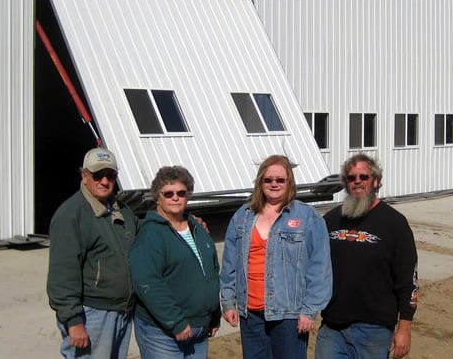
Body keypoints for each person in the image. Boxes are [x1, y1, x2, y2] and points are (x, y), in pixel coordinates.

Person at [220, 154, 332, 359]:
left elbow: (320, 267)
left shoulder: (307, 216)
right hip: (250, 314)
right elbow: (229, 264)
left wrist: (309, 310)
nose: (274, 184)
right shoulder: (242, 216)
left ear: (289, 182)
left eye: (280, 180)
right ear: (260, 182)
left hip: (288, 315)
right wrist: (228, 302)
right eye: (268, 180)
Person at [315, 153, 419, 359]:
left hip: (375, 330)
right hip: (332, 327)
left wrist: (404, 328)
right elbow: (314, 267)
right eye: (351, 178)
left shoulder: (395, 223)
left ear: (376, 181)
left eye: (364, 177)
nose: (357, 182)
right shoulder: (331, 220)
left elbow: (408, 280)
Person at [47, 147, 139, 358]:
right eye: (98, 175)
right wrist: (73, 320)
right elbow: (62, 274)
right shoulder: (71, 215)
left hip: (122, 311)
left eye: (110, 175)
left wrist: (184, 223)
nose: (104, 181)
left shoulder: (122, 211)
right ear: (85, 176)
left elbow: (146, 235)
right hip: (92, 314)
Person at [130, 166, 221, 359]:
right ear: (158, 196)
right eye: (168, 193)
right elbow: (148, 283)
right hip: (164, 334)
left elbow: (211, 273)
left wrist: (214, 315)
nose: (175, 197)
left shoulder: (198, 229)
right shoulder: (151, 234)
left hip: (199, 329)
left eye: (181, 192)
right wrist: (176, 322)